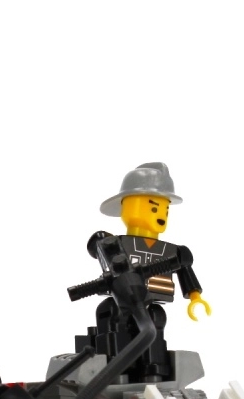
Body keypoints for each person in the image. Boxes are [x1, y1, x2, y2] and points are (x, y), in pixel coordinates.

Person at [80, 162, 210, 382]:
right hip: (121, 301)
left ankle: (154, 370)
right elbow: (96, 248)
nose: (161, 215)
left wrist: (195, 296)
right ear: (127, 208)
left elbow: (185, 270)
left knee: (156, 321)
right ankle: (116, 369)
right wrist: (102, 245)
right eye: (153, 207)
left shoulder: (173, 251)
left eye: (165, 210)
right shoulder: (116, 244)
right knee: (112, 317)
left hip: (150, 303)